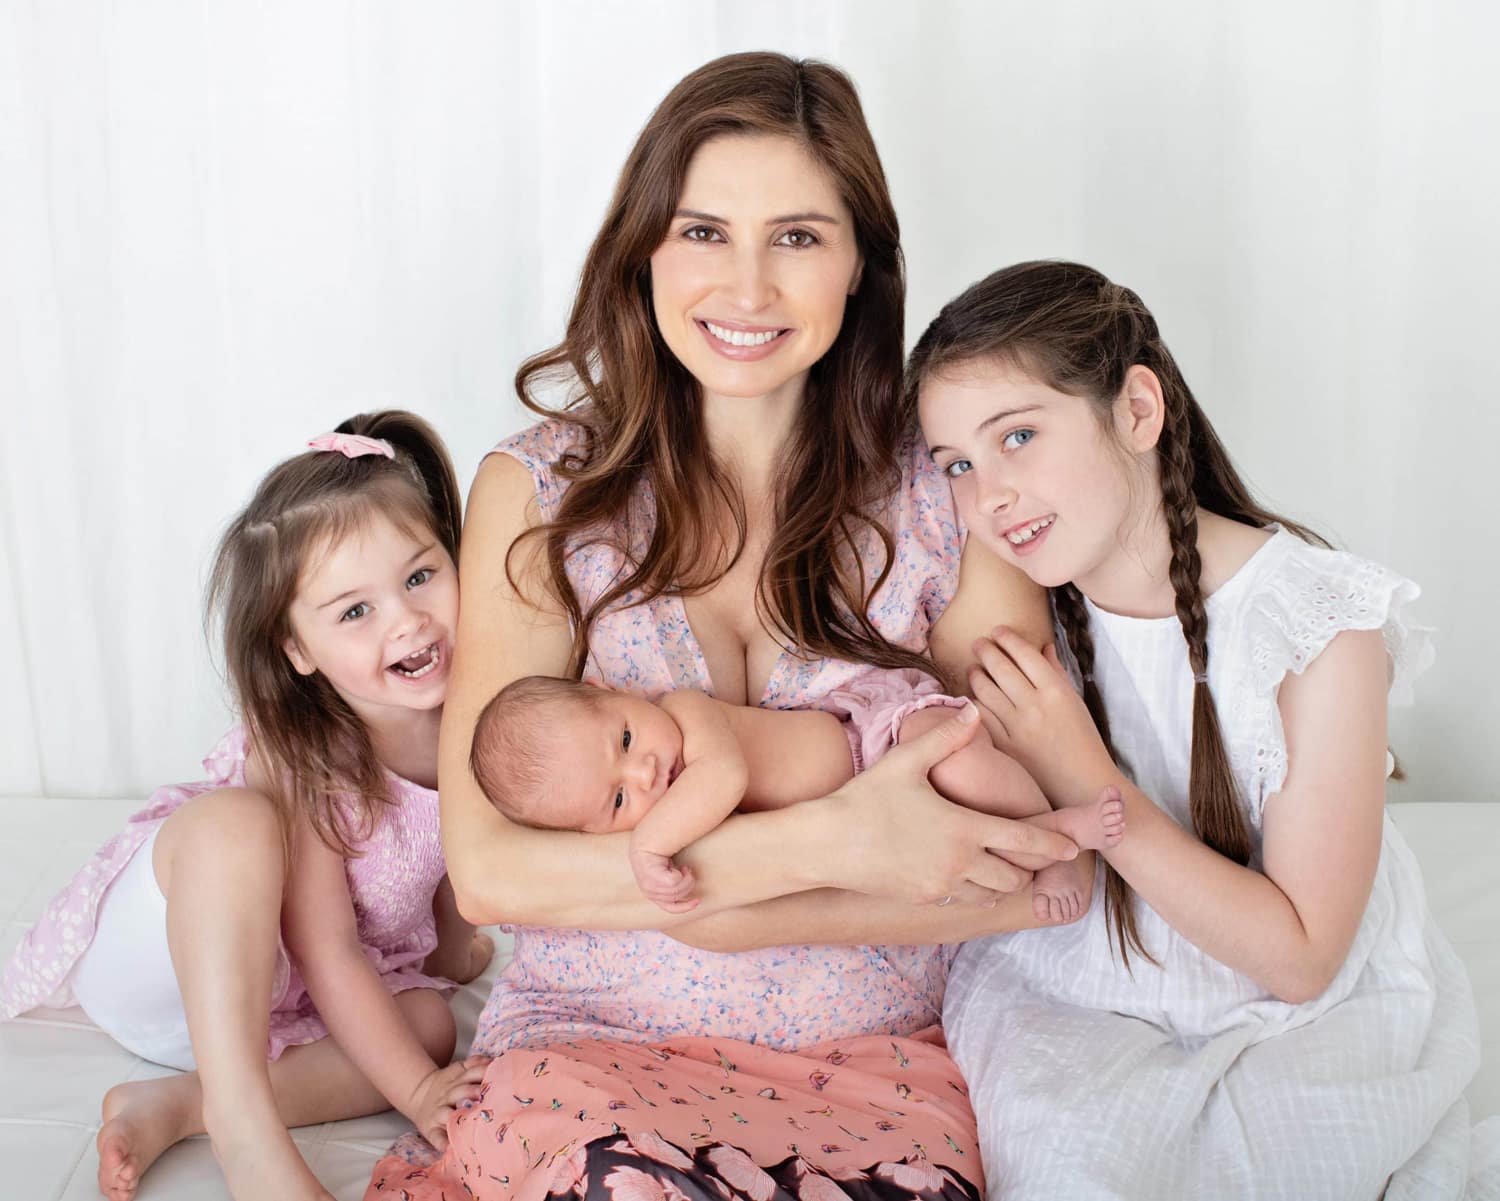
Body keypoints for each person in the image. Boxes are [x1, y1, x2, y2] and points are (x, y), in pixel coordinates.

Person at [364, 53, 1081, 1201]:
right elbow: (493, 871)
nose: (747, 288)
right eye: (704, 232)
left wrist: (714, 877)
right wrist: (839, 844)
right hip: (591, 1051)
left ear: (861, 265)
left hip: (875, 1069)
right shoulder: (543, 491)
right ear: (644, 250)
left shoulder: (949, 490)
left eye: (797, 237)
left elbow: (1042, 847)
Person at [912, 260, 1492, 1199]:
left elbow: (1301, 959)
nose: (991, 497)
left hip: (1294, 1000)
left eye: (1018, 435)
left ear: (1139, 411)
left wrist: (1085, 775)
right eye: (959, 466)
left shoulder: (1316, 626)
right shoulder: (1018, 612)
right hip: (1083, 987)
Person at [1, 412, 494, 1201]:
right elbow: (327, 947)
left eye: (419, 575)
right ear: (296, 650)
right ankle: (244, 1128)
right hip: (171, 972)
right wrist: (414, 1097)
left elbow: (453, 852)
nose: (406, 618)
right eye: (354, 610)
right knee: (236, 826)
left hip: (268, 1015)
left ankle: (181, 1104)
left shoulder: (469, 715)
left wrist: (454, 951)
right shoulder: (303, 748)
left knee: (429, 1031)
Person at [470, 672, 1123, 917]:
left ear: (616, 689)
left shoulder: (688, 713)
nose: (642, 773)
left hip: (877, 736)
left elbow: (723, 779)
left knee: (970, 774)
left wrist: (647, 840)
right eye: (615, 801)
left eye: (623, 738)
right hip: (876, 811)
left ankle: (1064, 833)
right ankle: (1055, 834)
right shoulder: (677, 809)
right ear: (590, 836)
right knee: (962, 823)